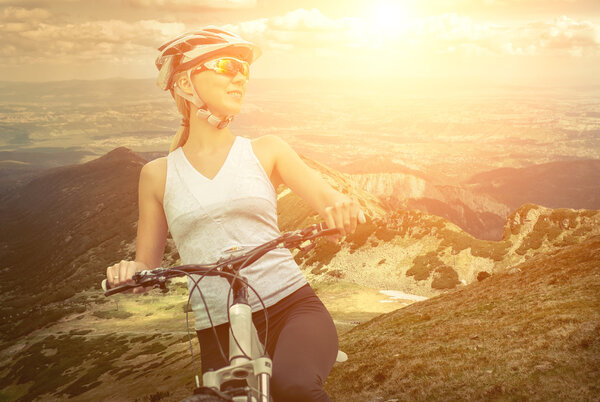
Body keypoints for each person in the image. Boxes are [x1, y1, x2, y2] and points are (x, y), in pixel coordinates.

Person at [105, 26, 363, 402]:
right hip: (217, 328)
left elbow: (328, 197)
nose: (239, 75)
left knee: (293, 388)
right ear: (185, 85)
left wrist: (341, 206)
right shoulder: (157, 175)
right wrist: (129, 271)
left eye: (245, 69)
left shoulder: (266, 150)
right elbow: (147, 267)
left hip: (291, 307)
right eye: (225, 65)